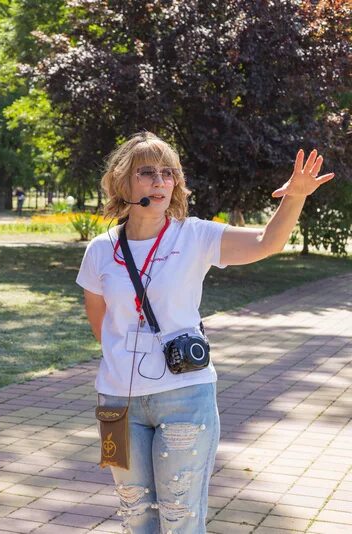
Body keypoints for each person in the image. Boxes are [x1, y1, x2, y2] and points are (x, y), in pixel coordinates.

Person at [77, 132, 334, 534]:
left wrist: (296, 196)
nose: (160, 182)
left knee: (180, 515)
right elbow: (99, 318)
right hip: (117, 402)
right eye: (147, 173)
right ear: (123, 181)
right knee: (134, 513)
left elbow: (267, 243)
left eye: (168, 173)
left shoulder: (194, 235)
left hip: (184, 397)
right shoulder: (100, 250)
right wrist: (127, 359)